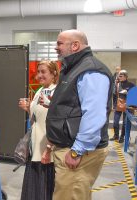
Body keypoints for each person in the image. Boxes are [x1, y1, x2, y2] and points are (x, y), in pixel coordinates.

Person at [46, 30, 113, 200]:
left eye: (60, 44)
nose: (56, 48)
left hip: (78, 152)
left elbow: (94, 115)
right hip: (70, 146)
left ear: (75, 45)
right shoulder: (74, 68)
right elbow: (73, 106)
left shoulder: (91, 70)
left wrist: (77, 151)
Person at [19, 60, 59, 200]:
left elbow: (56, 124)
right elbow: (35, 120)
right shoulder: (39, 91)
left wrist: (48, 149)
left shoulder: (57, 93)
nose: (40, 75)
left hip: (46, 152)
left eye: (44, 72)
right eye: (38, 72)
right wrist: (28, 108)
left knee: (44, 192)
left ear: (54, 74)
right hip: (34, 150)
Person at [110, 70, 135, 143]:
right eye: (119, 76)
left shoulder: (131, 85)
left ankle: (122, 137)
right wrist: (114, 105)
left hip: (128, 106)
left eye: (121, 76)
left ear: (126, 76)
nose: (119, 77)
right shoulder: (117, 84)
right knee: (115, 122)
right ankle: (116, 135)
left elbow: (135, 95)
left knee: (125, 123)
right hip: (118, 105)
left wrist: (128, 92)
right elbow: (114, 95)